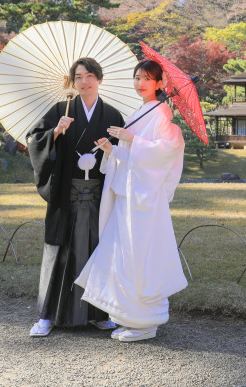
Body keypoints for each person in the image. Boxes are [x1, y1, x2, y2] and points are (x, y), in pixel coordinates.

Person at [75, 59, 187, 343]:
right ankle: (128, 316)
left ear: (161, 84)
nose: (140, 83)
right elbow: (131, 157)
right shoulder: (139, 112)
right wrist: (113, 149)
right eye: (137, 77)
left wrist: (132, 140)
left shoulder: (161, 114)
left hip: (144, 200)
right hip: (130, 193)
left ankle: (145, 321)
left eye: (148, 78)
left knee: (139, 253)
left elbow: (167, 150)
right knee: (121, 251)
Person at [25, 57, 125, 337]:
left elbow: (125, 154)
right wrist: (56, 131)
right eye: (79, 77)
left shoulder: (113, 115)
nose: (84, 81)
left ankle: (100, 312)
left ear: (100, 79)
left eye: (90, 75)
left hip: (99, 196)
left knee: (99, 249)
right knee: (61, 252)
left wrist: (110, 151)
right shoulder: (61, 110)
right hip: (67, 196)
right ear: (73, 82)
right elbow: (34, 139)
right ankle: (47, 315)